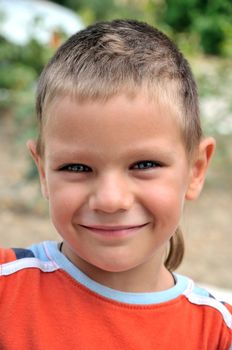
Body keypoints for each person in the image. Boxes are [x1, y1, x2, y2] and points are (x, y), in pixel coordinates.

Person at [0, 19, 231, 349]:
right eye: (77, 167)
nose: (110, 200)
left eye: (144, 165)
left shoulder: (216, 334)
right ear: (43, 172)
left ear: (195, 170)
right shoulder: (7, 288)